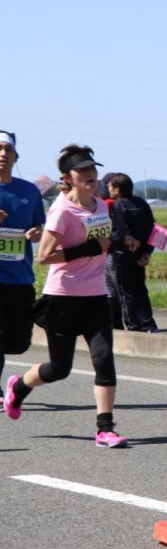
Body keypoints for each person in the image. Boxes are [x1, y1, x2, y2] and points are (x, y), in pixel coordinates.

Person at [3, 144, 129, 447]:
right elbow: (44, 256)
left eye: (92, 169)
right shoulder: (61, 209)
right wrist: (86, 250)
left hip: (96, 294)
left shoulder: (101, 206)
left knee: (103, 358)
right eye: (82, 171)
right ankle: (19, 387)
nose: (90, 175)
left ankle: (105, 429)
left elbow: (98, 241)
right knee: (59, 368)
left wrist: (118, 243)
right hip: (63, 297)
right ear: (68, 177)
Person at [0, 130, 44, 382]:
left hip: (19, 278)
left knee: (17, 343)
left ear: (17, 157)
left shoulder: (29, 191)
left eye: (8, 150)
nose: (3, 154)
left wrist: (37, 232)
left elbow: (39, 224)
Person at [105, 173, 158, 332]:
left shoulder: (118, 205)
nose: (108, 190)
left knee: (125, 292)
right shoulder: (142, 203)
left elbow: (120, 230)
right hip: (141, 255)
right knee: (141, 290)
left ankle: (133, 326)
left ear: (116, 189)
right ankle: (148, 324)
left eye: (109, 187)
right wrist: (147, 252)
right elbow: (153, 230)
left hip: (122, 254)